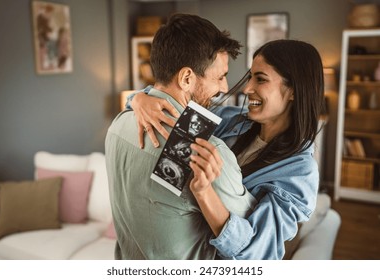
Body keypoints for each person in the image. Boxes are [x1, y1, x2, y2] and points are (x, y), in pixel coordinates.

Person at [129, 39, 325, 259]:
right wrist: (138, 99)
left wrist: (204, 193)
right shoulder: (229, 119)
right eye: (250, 77)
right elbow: (171, 104)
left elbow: (258, 254)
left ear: (294, 91)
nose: (247, 88)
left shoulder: (299, 172)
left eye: (260, 79)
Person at [105, 13, 256, 260]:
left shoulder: (118, 125)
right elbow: (249, 242)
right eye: (219, 77)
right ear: (187, 78)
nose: (225, 87)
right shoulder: (206, 154)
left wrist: (138, 97)